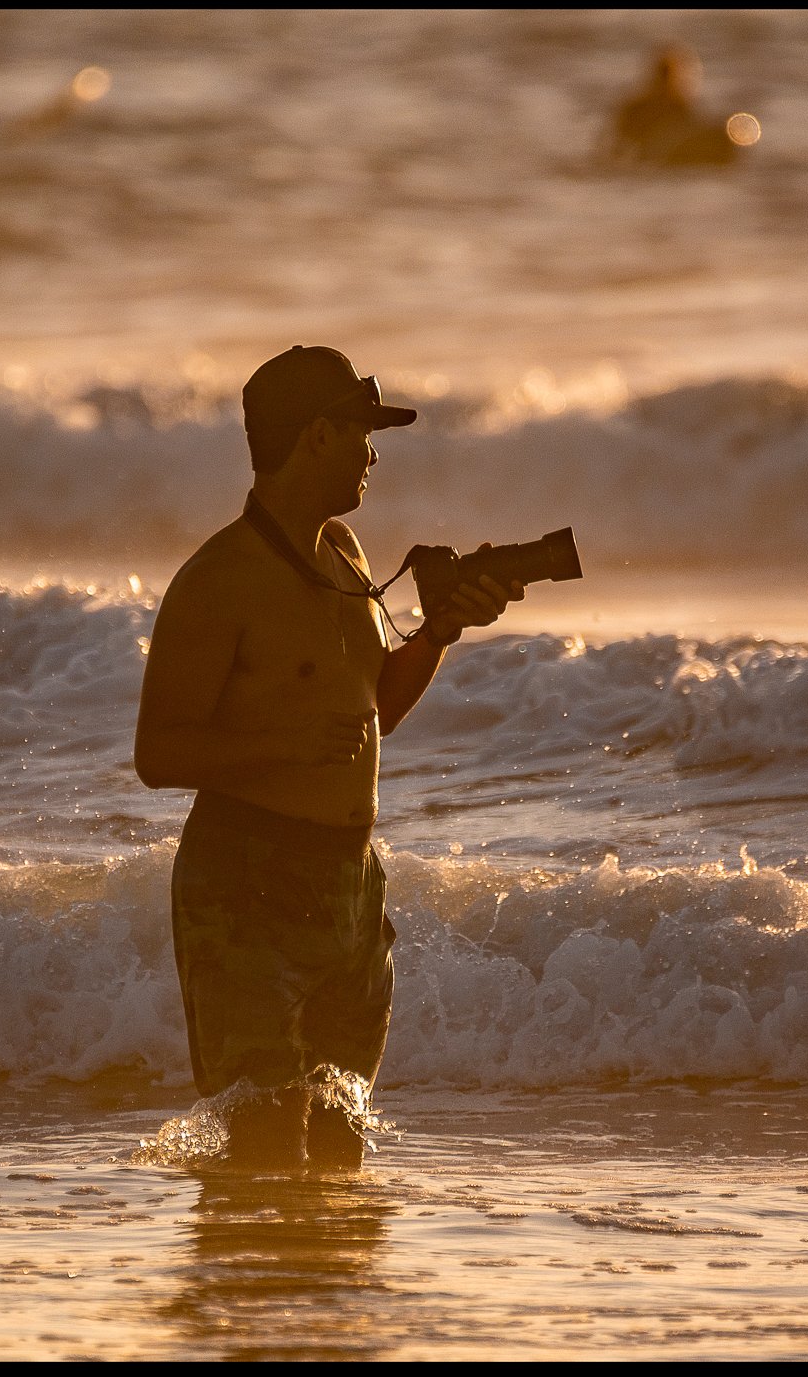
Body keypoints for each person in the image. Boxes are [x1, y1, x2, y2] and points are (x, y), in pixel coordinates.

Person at [133, 346, 523, 1172]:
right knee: (267, 1146)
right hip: (247, 885)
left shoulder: (344, 554)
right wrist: (286, 746)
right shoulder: (217, 581)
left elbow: (376, 708)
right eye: (360, 433)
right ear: (315, 437)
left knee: (342, 1148)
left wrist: (440, 633)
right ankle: (253, 1287)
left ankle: (323, 1301)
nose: (373, 453)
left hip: (350, 887)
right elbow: (157, 751)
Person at [604, 43, 742, 167]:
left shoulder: (678, 104)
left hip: (662, 156)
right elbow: (617, 146)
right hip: (654, 157)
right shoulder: (637, 107)